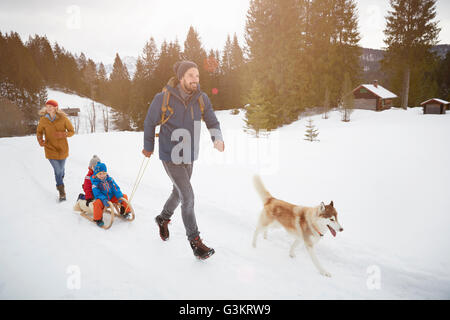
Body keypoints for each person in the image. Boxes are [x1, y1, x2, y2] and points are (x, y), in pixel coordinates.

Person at [142, 60, 225, 260]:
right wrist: (148, 147)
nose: (195, 80)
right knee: (188, 196)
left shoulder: (202, 99)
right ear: (181, 78)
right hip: (170, 154)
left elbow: (212, 120)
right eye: (190, 76)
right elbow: (149, 122)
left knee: (178, 193)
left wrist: (217, 138)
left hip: (189, 154)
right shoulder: (163, 98)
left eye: (197, 76)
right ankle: (196, 242)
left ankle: (163, 218)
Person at [36, 99, 75, 201]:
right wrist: (40, 140)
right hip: (50, 148)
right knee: (57, 170)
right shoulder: (43, 120)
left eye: (50, 106)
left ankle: (60, 178)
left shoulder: (63, 118)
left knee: (61, 171)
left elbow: (72, 131)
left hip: (63, 149)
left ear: (55, 108)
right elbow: (39, 131)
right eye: (47, 106)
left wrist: (63, 134)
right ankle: (62, 192)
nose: (48, 108)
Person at [90, 162, 132, 227]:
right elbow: (97, 194)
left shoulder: (110, 180)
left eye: (104, 173)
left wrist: (119, 196)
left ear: (106, 173)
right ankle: (98, 219)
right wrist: (103, 199)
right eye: (100, 174)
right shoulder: (95, 184)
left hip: (112, 197)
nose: (102, 175)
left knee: (124, 196)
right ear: (96, 175)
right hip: (103, 199)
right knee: (97, 203)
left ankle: (126, 211)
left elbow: (115, 188)